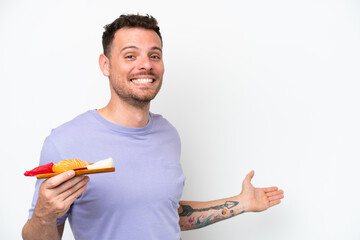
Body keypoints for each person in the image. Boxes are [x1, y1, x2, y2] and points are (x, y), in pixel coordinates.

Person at [22, 14, 284, 240]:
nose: (145, 64)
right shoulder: (65, 142)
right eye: (130, 55)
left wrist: (242, 203)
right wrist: (44, 216)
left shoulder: (168, 134)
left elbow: (163, 213)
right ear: (106, 64)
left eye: (154, 55)